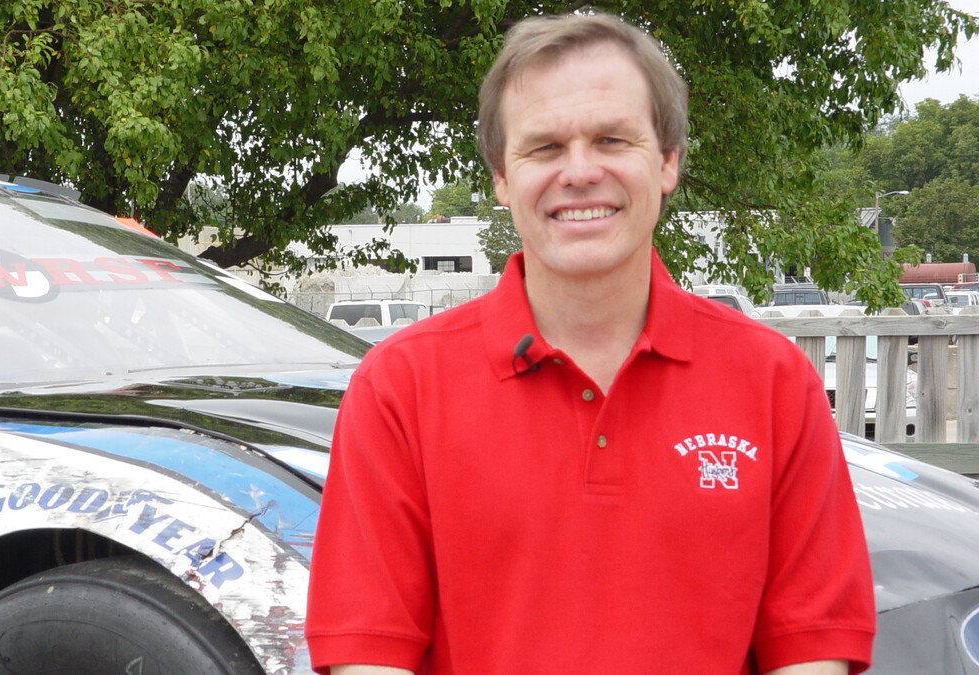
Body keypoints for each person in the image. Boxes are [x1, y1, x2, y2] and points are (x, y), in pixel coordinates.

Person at [306, 11, 875, 675]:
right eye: (544, 147)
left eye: (611, 139)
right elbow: (368, 655)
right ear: (500, 177)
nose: (579, 172)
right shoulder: (399, 388)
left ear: (666, 161)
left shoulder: (774, 381)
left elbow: (813, 650)